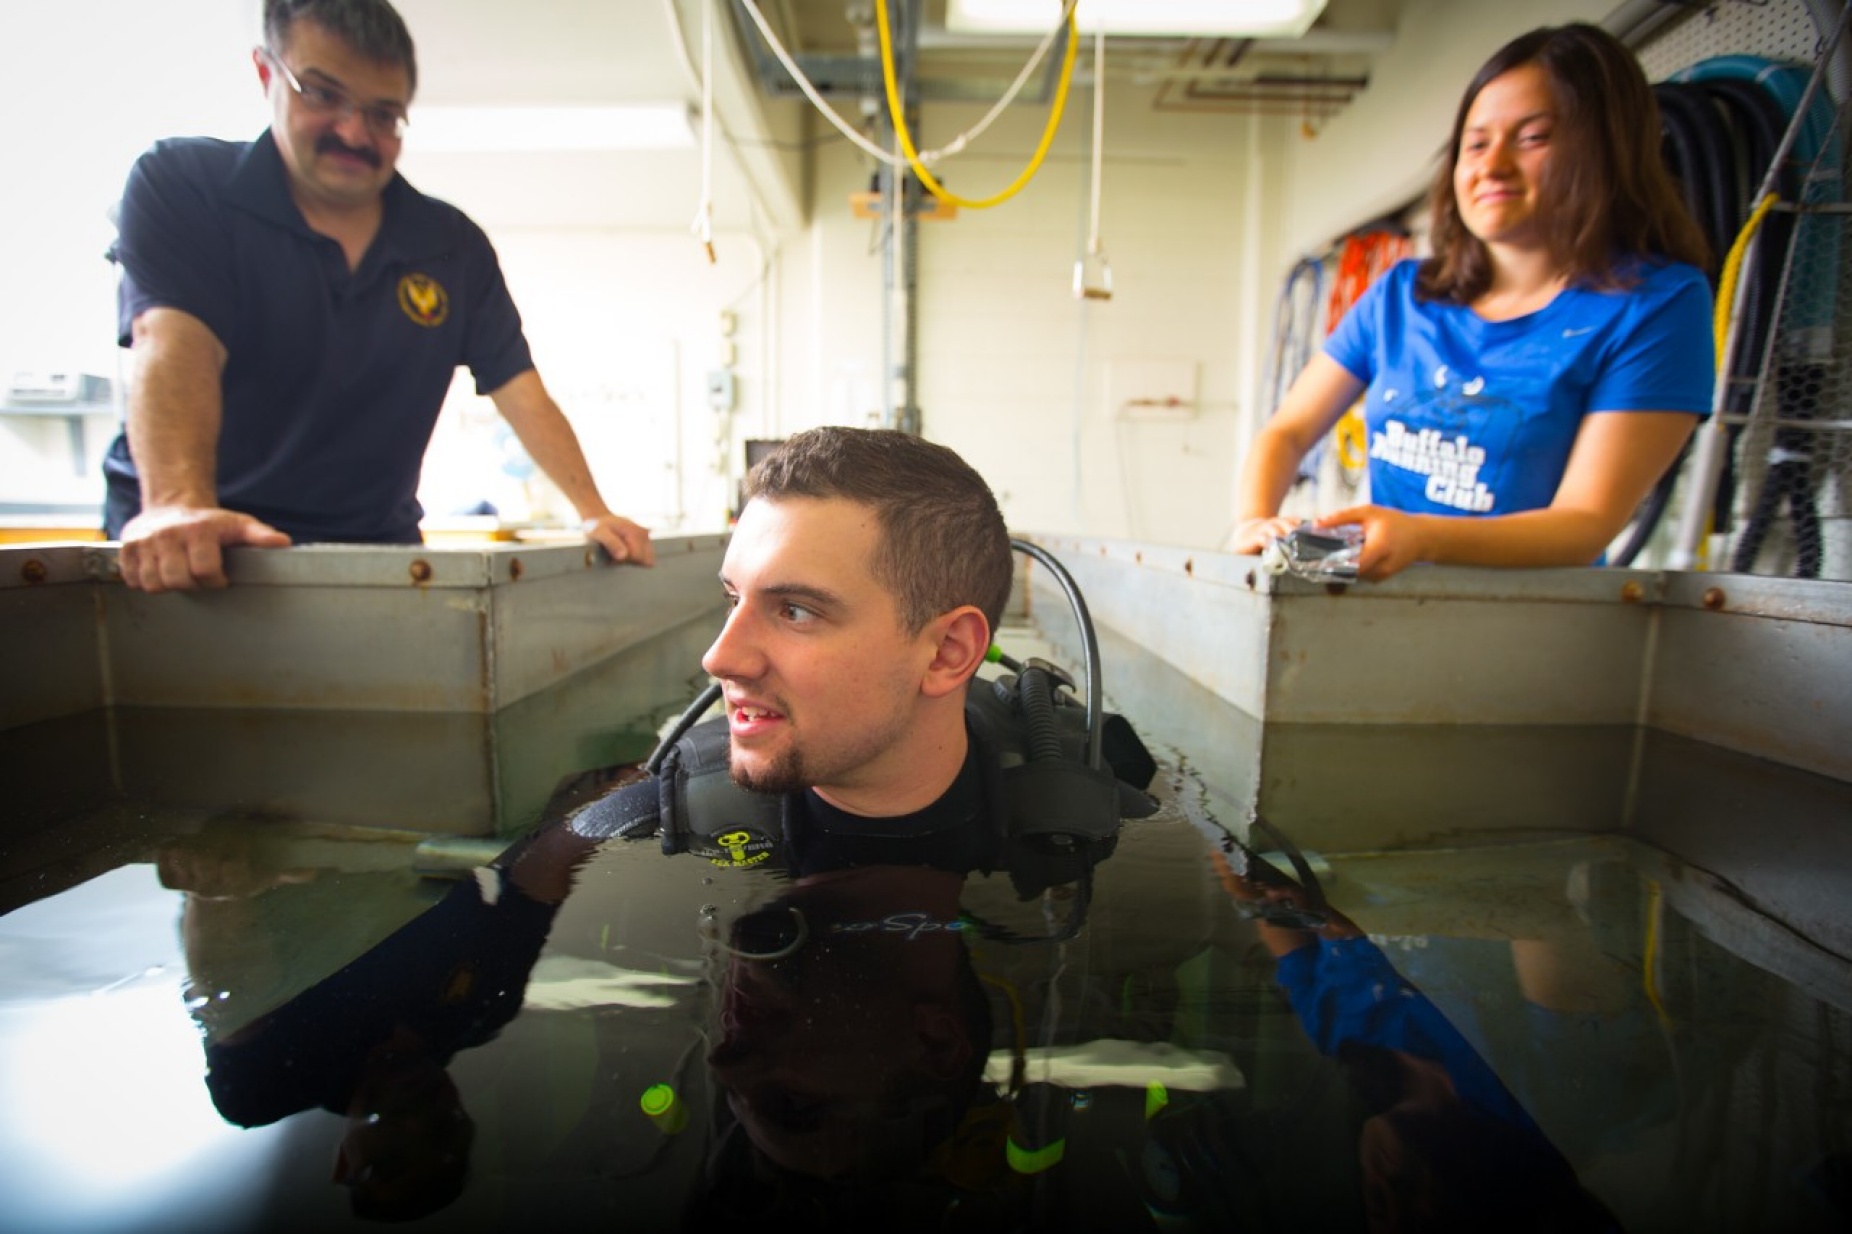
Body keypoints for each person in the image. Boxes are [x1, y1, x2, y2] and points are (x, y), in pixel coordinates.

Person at [102, 0, 655, 593]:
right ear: (267, 74)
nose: (353, 132)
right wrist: (178, 505)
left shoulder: (450, 246)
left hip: (372, 553)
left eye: (383, 114)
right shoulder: (186, 187)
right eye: (322, 94)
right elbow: (172, 341)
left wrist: (593, 510)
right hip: (210, 547)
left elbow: (520, 388)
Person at [1229, 23, 1715, 581]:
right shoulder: (1401, 295)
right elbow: (1286, 431)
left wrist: (1421, 536)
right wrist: (1256, 521)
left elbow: (1585, 523)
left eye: (1533, 137)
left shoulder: (1657, 305)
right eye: (1476, 143)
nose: (1492, 165)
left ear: (1607, 147)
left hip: (1528, 635)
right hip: (1379, 613)